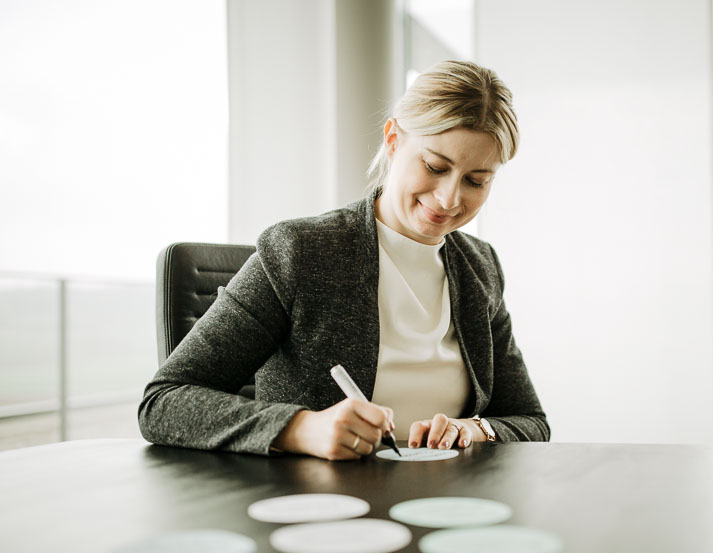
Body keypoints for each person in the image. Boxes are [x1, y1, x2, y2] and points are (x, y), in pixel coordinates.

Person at [139, 60, 549, 459]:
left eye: (477, 180)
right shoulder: (301, 251)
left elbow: (531, 420)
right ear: (393, 140)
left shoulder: (480, 267)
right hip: (320, 510)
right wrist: (300, 429)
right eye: (434, 166)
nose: (449, 199)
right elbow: (164, 402)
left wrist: (475, 429)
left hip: (447, 506)